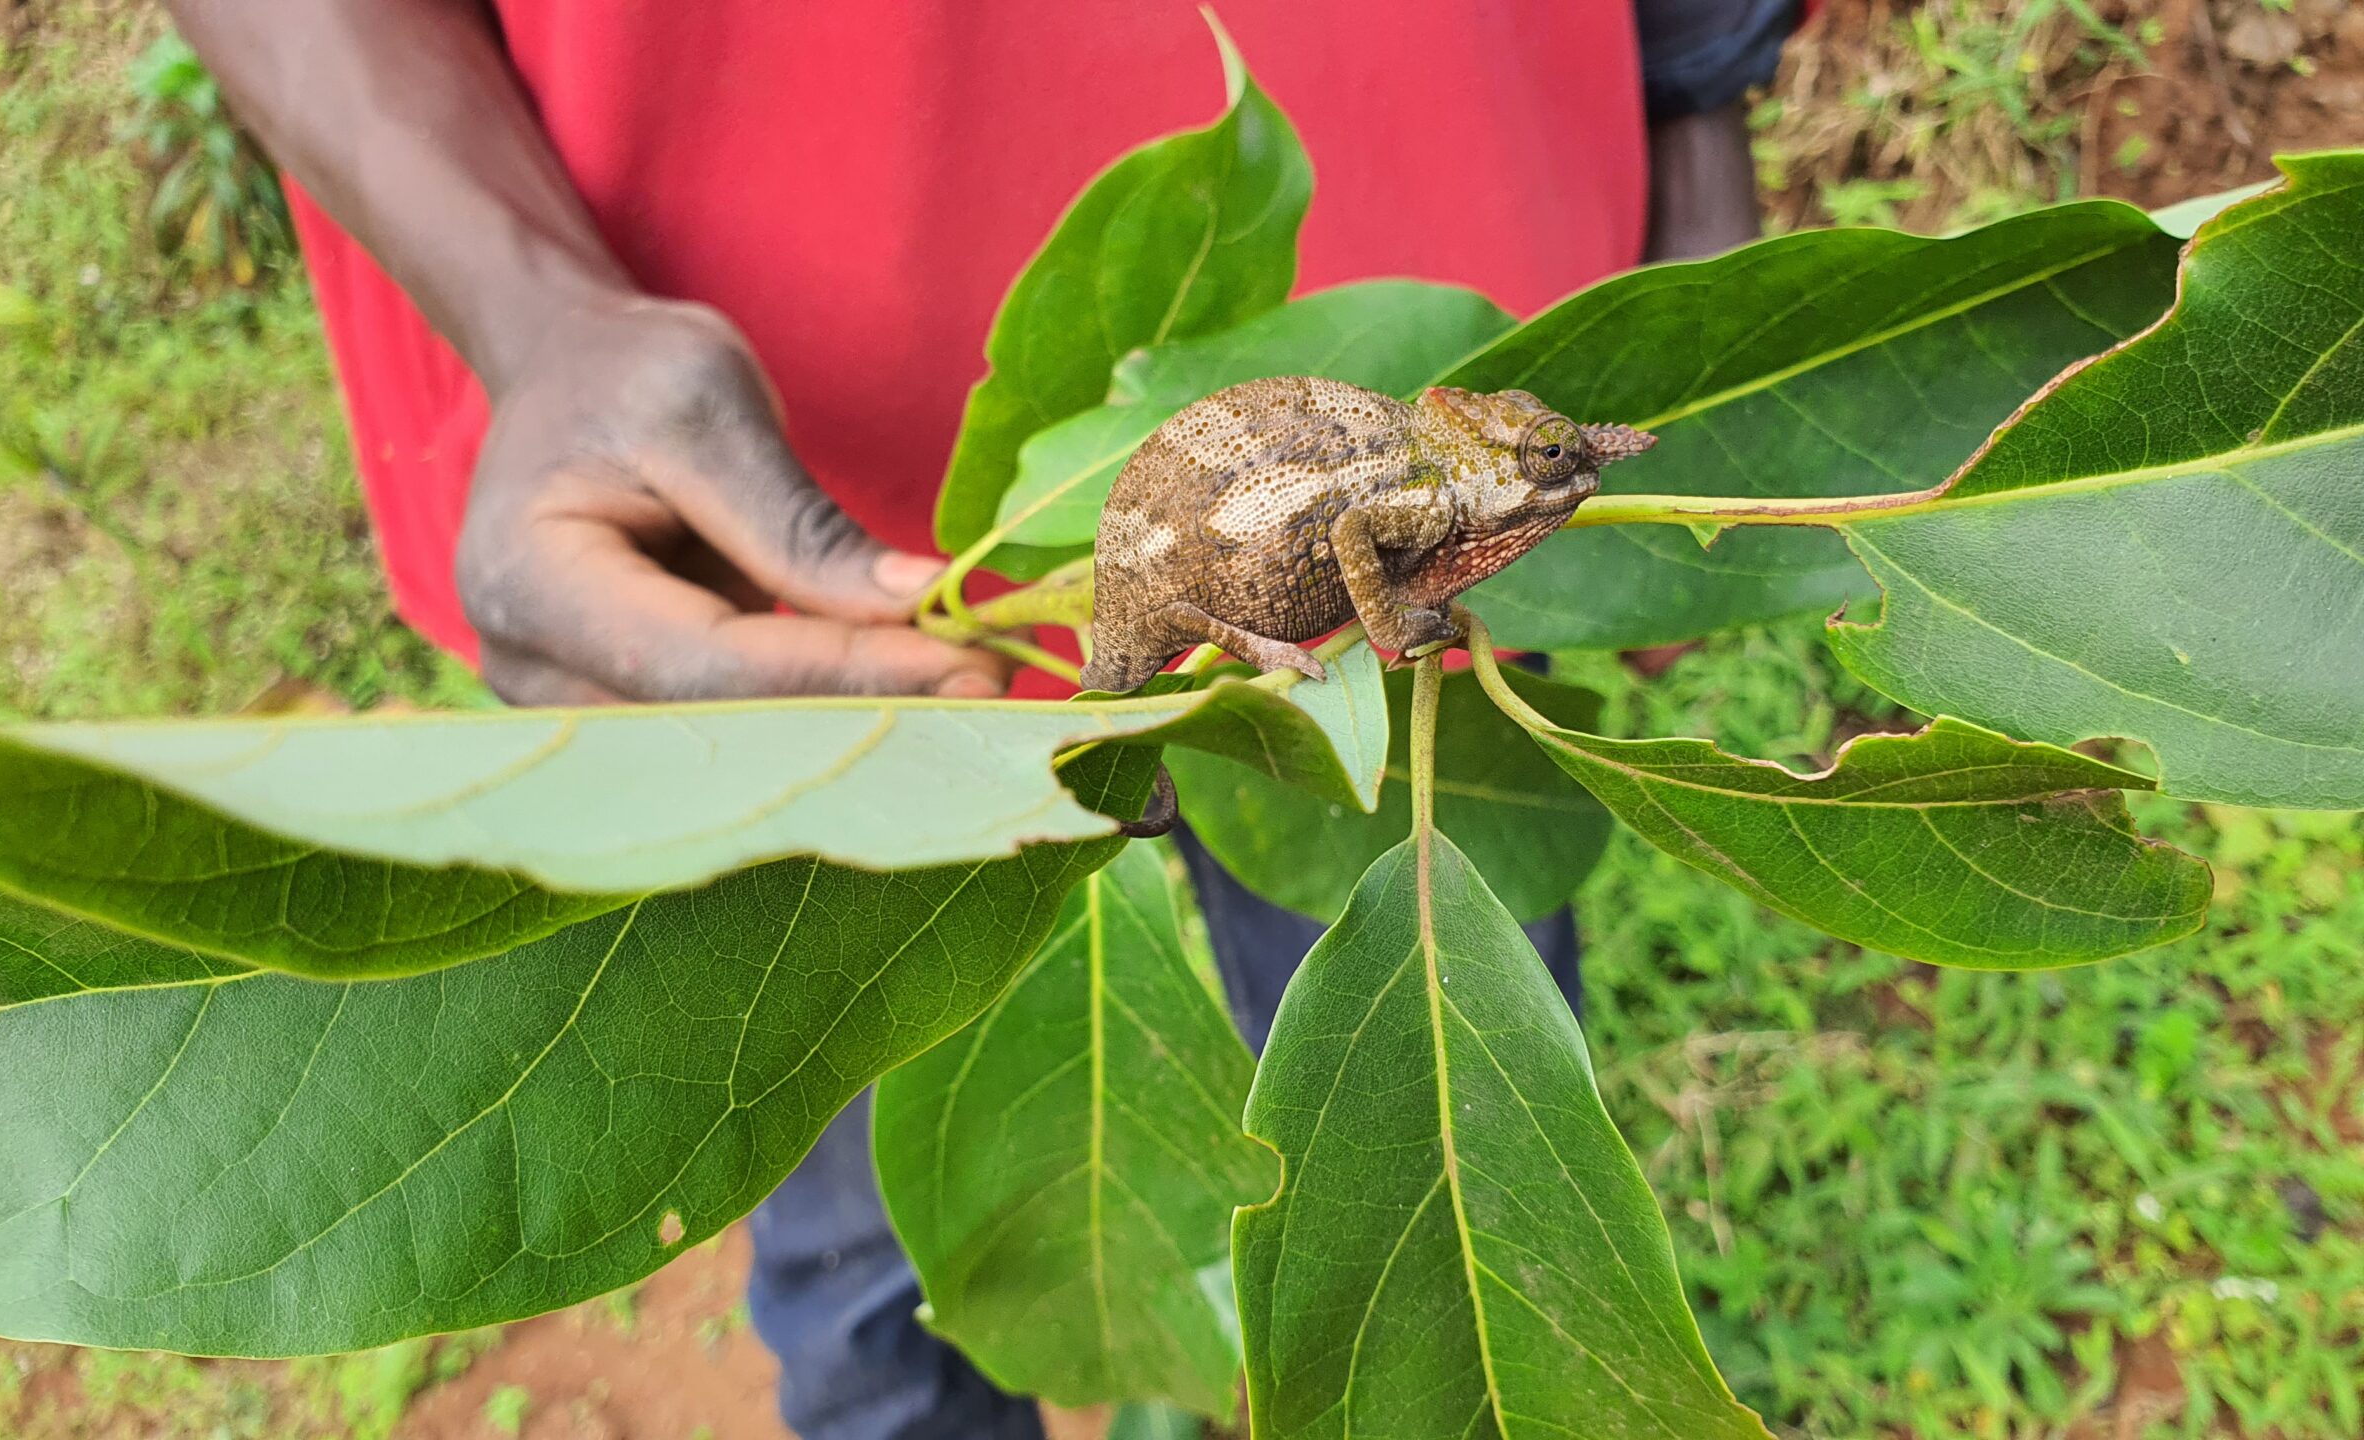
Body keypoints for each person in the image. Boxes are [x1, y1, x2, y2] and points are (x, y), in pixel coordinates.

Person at [164, 4, 1799, 1435]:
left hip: (1392, 618)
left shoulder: (1471, 488)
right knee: (863, 1276)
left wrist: (1702, 138)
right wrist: (533, 313)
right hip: (782, 598)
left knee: (1438, 1211)